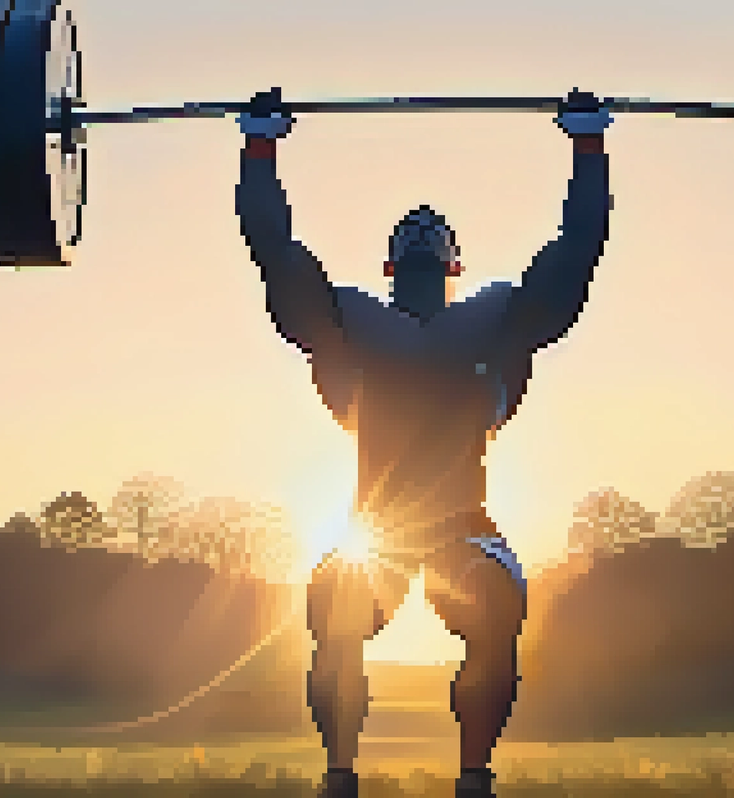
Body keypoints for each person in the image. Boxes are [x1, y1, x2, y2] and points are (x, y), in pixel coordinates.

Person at [235, 87, 612, 798]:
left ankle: (474, 779)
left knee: (494, 613)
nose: (423, 230)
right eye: (413, 234)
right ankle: (339, 778)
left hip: (462, 531)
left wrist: (588, 148)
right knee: (335, 614)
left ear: (452, 265)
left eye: (433, 234)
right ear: (394, 266)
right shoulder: (351, 324)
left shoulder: (494, 322)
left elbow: (576, 256)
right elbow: (275, 256)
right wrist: (260, 151)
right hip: (373, 532)